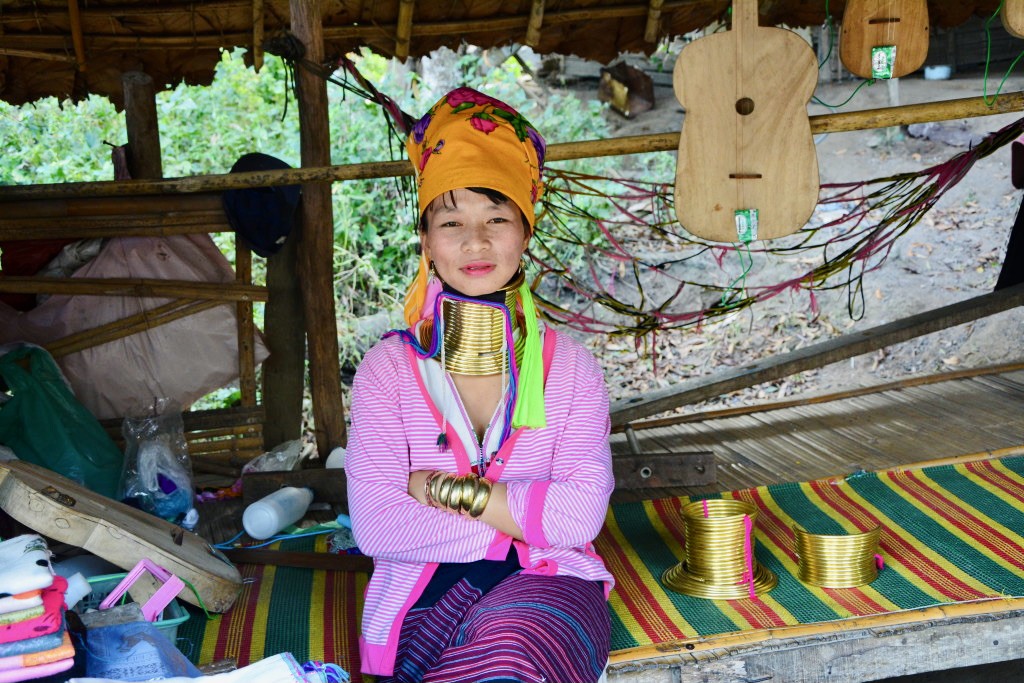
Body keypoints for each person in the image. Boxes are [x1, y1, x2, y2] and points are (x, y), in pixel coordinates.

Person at [345, 87, 614, 683]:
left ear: (524, 235)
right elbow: (376, 523)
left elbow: (580, 519)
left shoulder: (571, 369)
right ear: (426, 243)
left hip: (551, 588)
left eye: (497, 218)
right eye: (452, 222)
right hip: (419, 601)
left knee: (513, 652)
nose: (476, 242)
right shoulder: (386, 373)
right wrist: (516, 523)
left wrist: (437, 489)